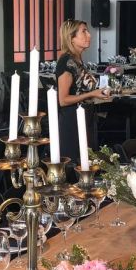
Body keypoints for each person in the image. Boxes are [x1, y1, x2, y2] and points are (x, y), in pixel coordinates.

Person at [55, 20, 109, 163]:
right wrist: (92, 94)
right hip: (72, 121)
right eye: (84, 31)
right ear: (71, 38)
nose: (89, 35)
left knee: (87, 164)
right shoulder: (67, 62)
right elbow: (63, 100)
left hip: (85, 118)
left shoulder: (77, 60)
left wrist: (98, 93)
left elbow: (81, 89)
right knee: (75, 165)